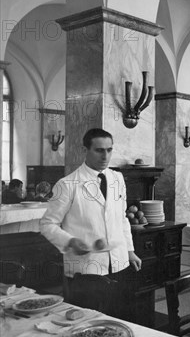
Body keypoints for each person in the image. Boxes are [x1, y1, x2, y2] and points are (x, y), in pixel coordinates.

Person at [40, 128, 142, 317]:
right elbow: (47, 224)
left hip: (119, 263)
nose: (105, 156)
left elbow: (121, 218)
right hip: (86, 269)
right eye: (99, 150)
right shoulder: (67, 184)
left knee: (119, 321)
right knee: (87, 323)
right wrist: (70, 242)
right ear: (84, 150)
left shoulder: (117, 178)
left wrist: (130, 251)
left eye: (109, 150)